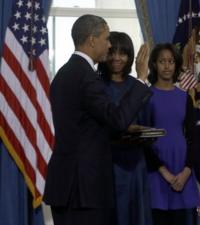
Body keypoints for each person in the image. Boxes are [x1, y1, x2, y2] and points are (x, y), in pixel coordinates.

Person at [43, 15, 152, 225]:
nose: (109, 44)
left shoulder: (64, 73)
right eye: (106, 38)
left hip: (67, 184)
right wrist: (140, 78)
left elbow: (82, 125)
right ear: (92, 40)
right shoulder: (87, 77)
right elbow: (117, 119)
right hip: (84, 189)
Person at [141, 43, 200, 225]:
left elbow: (193, 137)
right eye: (162, 61)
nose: (167, 66)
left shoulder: (185, 97)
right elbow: (143, 139)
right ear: (154, 65)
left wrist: (186, 171)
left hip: (182, 167)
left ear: (176, 65)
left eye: (171, 61)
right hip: (156, 169)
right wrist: (163, 171)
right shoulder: (146, 95)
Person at [97, 31, 152, 225]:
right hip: (109, 162)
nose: (116, 58)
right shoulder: (97, 85)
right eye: (112, 52)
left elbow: (147, 120)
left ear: (130, 57)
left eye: (123, 53)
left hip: (135, 162)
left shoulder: (137, 85)